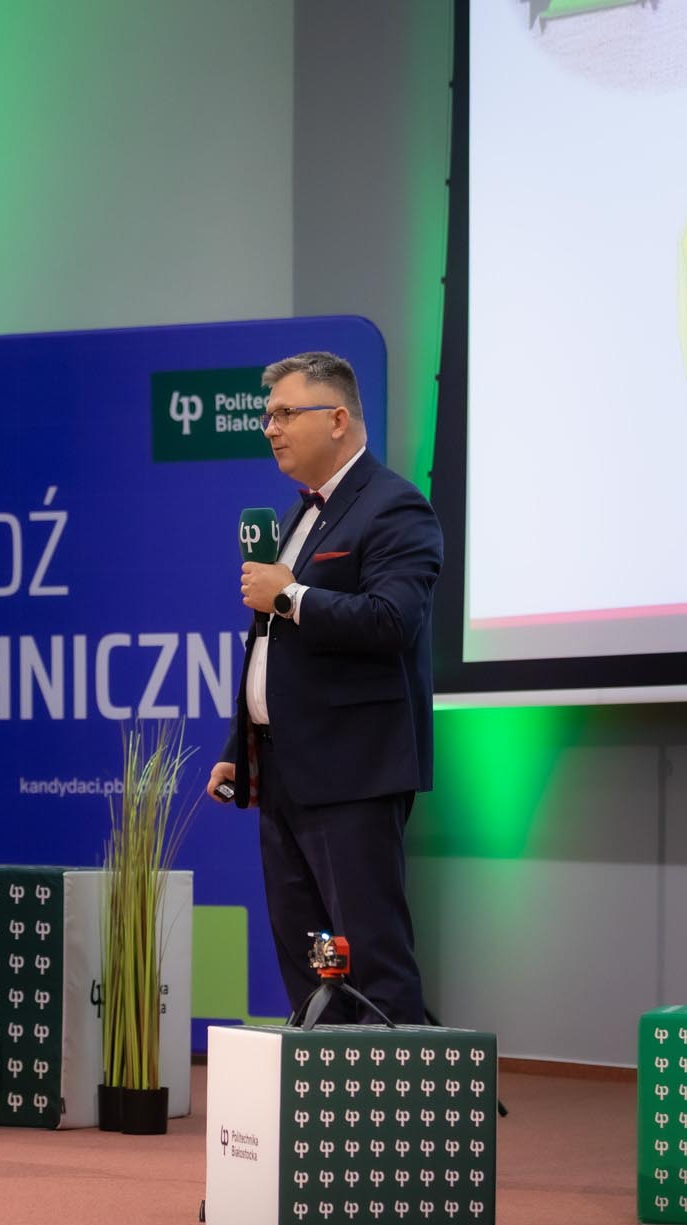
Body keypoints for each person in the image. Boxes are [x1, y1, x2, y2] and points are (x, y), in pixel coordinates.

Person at [205, 351, 442, 1025]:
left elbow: (392, 620)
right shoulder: (295, 517)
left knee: (370, 961)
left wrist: (291, 596)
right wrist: (241, 745)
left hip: (352, 772)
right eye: (267, 416)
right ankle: (324, 1082)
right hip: (282, 771)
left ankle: (396, 1090)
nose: (270, 428)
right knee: (310, 961)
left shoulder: (396, 507)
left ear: (337, 419)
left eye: (285, 413)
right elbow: (273, 647)